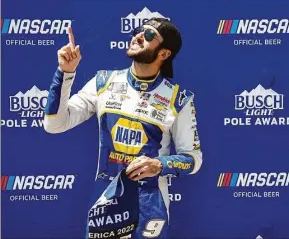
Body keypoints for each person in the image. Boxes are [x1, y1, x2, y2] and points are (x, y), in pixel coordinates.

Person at [44, 17, 203, 239]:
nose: (138, 36)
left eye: (149, 36)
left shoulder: (178, 99)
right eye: (138, 31)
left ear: (164, 54)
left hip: (151, 203)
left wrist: (160, 164)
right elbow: (54, 124)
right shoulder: (104, 82)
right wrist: (66, 73)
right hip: (107, 200)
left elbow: (193, 159)